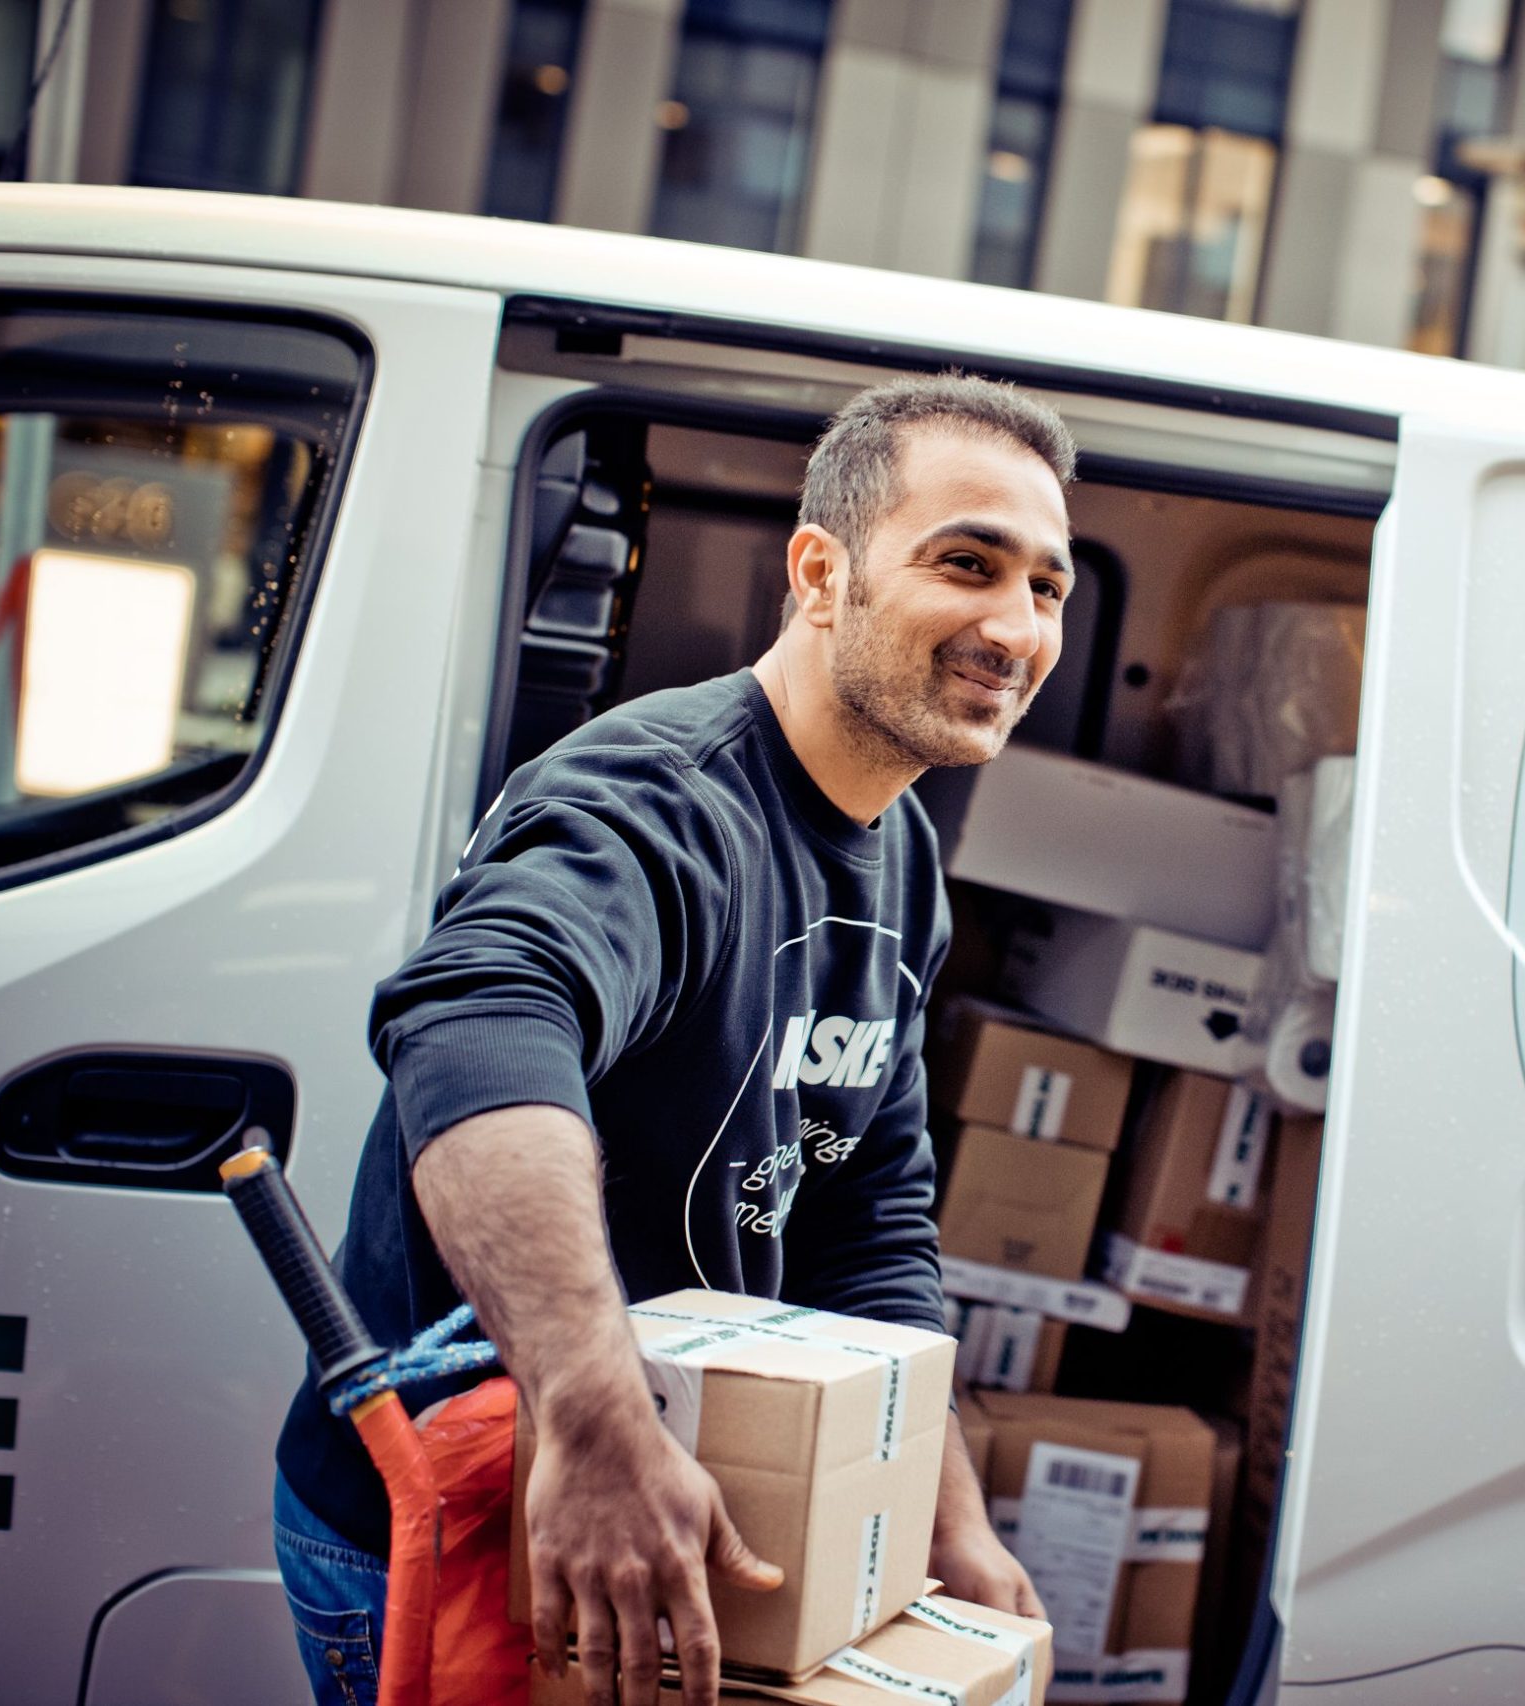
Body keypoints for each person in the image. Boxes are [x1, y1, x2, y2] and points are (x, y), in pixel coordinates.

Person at [269, 374, 1077, 1706]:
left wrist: (946, 1513)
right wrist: (594, 1419)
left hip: (672, 1496)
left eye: (1046, 587)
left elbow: (865, 1209)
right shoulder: (654, 801)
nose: (1014, 624)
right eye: (966, 563)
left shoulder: (903, 857)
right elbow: (474, 1021)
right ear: (821, 571)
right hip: (479, 1507)